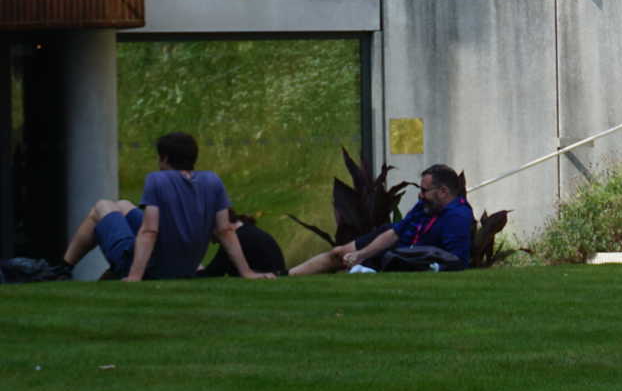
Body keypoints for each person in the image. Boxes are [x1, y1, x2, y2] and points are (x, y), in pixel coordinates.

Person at [60, 132, 272, 281]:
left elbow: (150, 231)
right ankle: (66, 269)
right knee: (123, 205)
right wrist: (247, 272)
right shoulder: (212, 181)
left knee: (102, 206)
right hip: (184, 267)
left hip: (153, 269)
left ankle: (63, 268)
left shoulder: (157, 180)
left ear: (165, 158)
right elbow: (225, 230)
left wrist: (135, 276)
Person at [288, 164, 475, 275]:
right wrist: (362, 254)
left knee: (344, 260)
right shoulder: (425, 206)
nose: (420, 195)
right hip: (395, 245)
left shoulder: (457, 216)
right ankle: (285, 277)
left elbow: (456, 262)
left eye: (424, 190)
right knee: (339, 253)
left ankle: (282, 277)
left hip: (403, 257)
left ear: (443, 191)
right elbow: (395, 233)